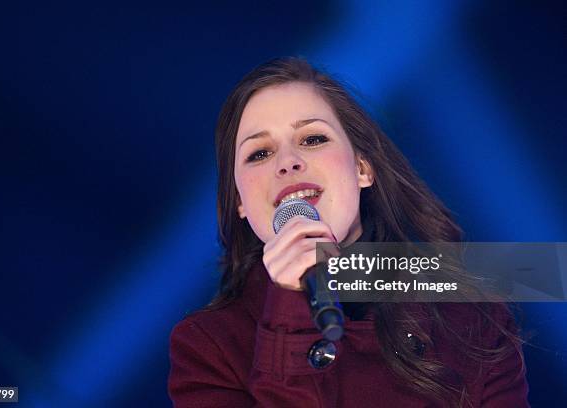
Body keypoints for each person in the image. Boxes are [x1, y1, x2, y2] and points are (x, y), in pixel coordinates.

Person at [168, 57, 529, 407]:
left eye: (312, 139)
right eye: (260, 153)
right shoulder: (207, 347)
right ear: (240, 203)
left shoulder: (471, 310)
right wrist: (288, 322)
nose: (288, 162)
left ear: (362, 169)